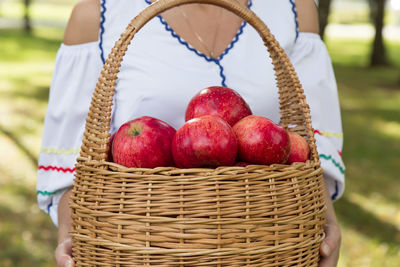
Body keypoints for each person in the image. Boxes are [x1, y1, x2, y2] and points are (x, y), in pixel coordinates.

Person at [37, 0, 344, 266]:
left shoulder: (293, 11)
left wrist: (326, 222)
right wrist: (71, 235)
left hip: (266, 241)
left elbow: (308, 146)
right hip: (143, 246)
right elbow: (72, 169)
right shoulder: (97, 17)